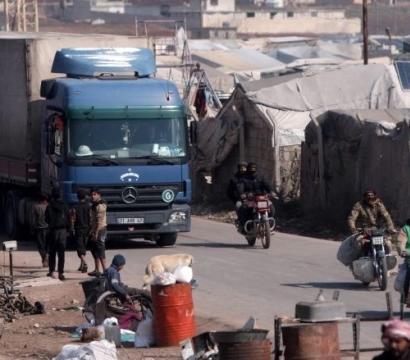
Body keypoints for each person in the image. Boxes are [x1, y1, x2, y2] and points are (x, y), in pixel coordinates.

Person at [45, 187, 70, 281]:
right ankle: (61, 273)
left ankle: (51, 271)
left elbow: (46, 219)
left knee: (52, 253)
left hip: (53, 231)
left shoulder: (49, 206)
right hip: (63, 231)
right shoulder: (64, 205)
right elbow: (68, 218)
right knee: (61, 253)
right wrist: (68, 230)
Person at [69, 189, 90, 273]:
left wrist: (71, 229)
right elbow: (91, 219)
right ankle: (81, 265)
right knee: (83, 248)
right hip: (87, 230)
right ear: (85, 197)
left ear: (77, 197)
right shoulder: (89, 206)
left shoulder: (75, 208)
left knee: (79, 249)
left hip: (79, 230)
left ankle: (84, 263)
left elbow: (72, 220)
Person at [88, 188, 107, 277]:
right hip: (94, 230)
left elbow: (99, 221)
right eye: (92, 194)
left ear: (99, 195)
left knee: (100, 250)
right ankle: (97, 270)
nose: (93, 196)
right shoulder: (94, 205)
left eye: (94, 194)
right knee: (94, 250)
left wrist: (95, 233)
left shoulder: (100, 205)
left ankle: (105, 271)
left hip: (100, 230)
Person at [32, 194, 49, 267]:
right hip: (47, 228)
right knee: (47, 245)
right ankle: (46, 257)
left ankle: (44, 258)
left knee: (40, 246)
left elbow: (33, 219)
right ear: (46, 200)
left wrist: (32, 227)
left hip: (39, 229)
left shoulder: (36, 207)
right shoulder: (49, 206)